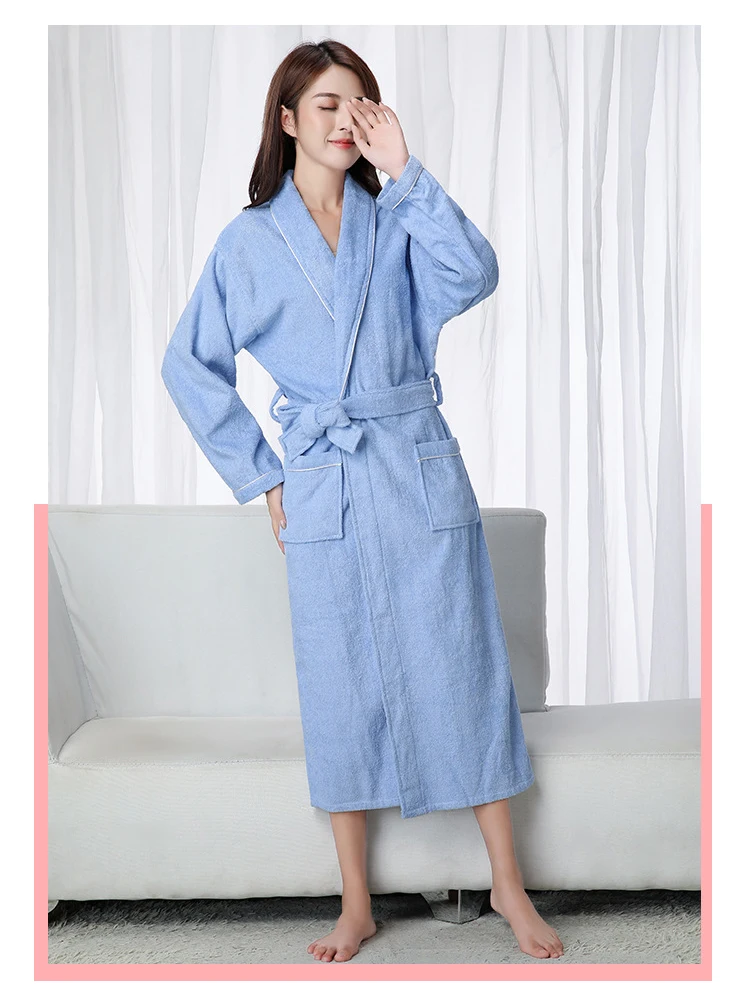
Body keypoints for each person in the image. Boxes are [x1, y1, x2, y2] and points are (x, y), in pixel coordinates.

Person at [161, 39, 563, 962]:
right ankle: (356, 902)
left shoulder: (396, 218)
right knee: (338, 683)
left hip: (416, 463)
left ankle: (507, 882)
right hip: (324, 480)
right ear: (287, 119)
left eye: (361, 104)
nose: (347, 119)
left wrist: (407, 172)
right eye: (328, 104)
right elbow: (189, 365)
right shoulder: (248, 243)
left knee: (463, 665)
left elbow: (475, 273)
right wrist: (264, 475)